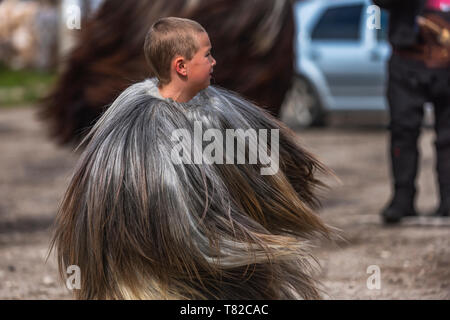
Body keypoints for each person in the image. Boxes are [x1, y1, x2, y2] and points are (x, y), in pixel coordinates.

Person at [49, 17, 332, 299]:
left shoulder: (122, 113)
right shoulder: (214, 111)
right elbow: (281, 163)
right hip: (177, 265)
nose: (214, 62)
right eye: (207, 55)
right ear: (181, 66)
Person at [374, 0, 450, 223]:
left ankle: (448, 199)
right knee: (402, 132)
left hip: (447, 66)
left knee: (449, 137)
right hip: (407, 61)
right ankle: (402, 199)